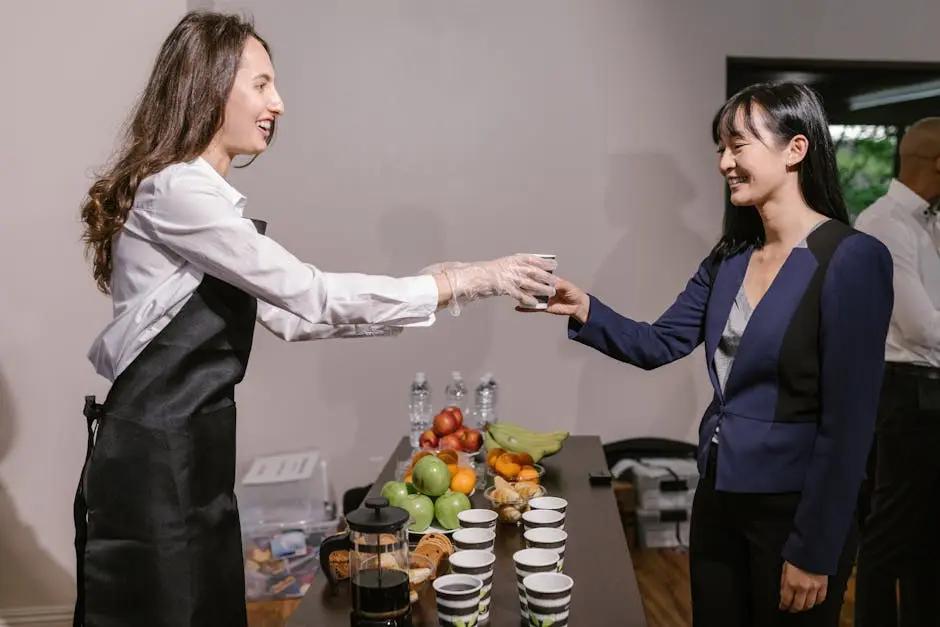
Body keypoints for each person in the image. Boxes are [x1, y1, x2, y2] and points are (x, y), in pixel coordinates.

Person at [73, 11, 555, 627]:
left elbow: (294, 317)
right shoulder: (176, 191)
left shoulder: (204, 204)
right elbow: (311, 294)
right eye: (262, 84)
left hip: (195, 448)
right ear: (209, 86)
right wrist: (461, 282)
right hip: (153, 457)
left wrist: (439, 291)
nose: (279, 102)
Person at [523, 82, 894, 626]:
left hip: (794, 510)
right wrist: (585, 308)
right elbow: (659, 342)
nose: (724, 162)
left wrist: (814, 549)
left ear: (796, 149)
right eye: (720, 149)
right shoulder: (731, 258)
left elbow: (850, 425)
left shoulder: (852, 258)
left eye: (738, 146)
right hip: (718, 496)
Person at [853, 117, 940, 627]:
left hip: (929, 393)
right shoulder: (884, 224)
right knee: (890, 535)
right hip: (905, 394)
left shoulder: (930, 222)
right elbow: (921, 327)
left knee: (930, 538)